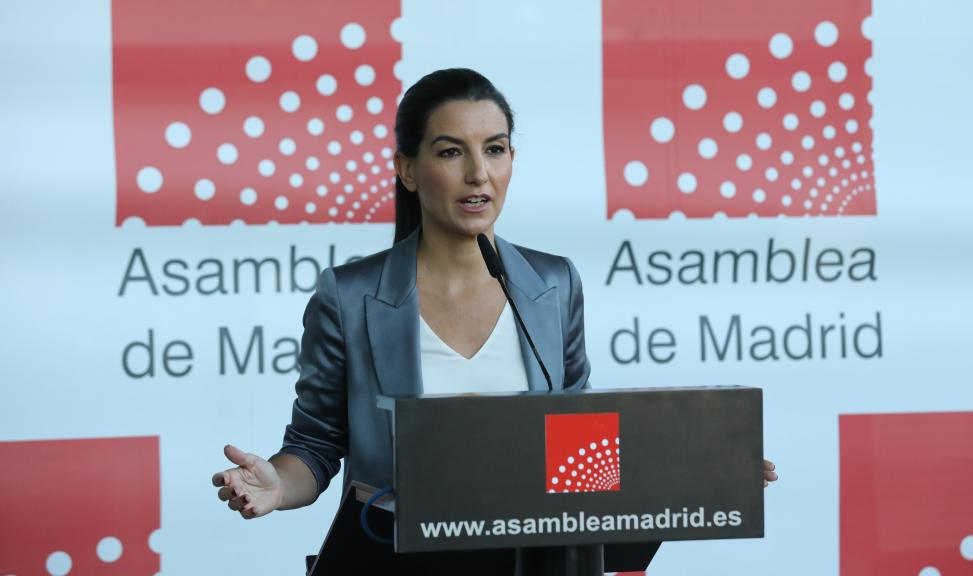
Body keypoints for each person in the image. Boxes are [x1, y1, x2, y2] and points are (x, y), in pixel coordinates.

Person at [211, 67, 777, 547]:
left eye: (496, 149)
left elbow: (578, 443)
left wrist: (706, 475)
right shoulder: (350, 295)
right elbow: (316, 446)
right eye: (451, 151)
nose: (478, 173)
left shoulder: (552, 284)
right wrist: (277, 487)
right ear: (407, 169)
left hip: (531, 557)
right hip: (394, 558)